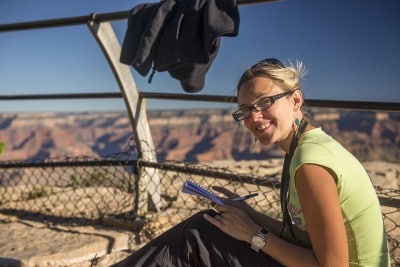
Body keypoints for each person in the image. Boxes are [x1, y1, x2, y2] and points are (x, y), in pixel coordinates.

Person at [113, 58, 390, 266]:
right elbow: (303, 237)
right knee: (211, 223)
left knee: (198, 235)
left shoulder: (310, 164)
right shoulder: (305, 148)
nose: (253, 117)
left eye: (264, 102)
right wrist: (247, 213)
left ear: (295, 100)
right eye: (244, 110)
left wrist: (254, 235)